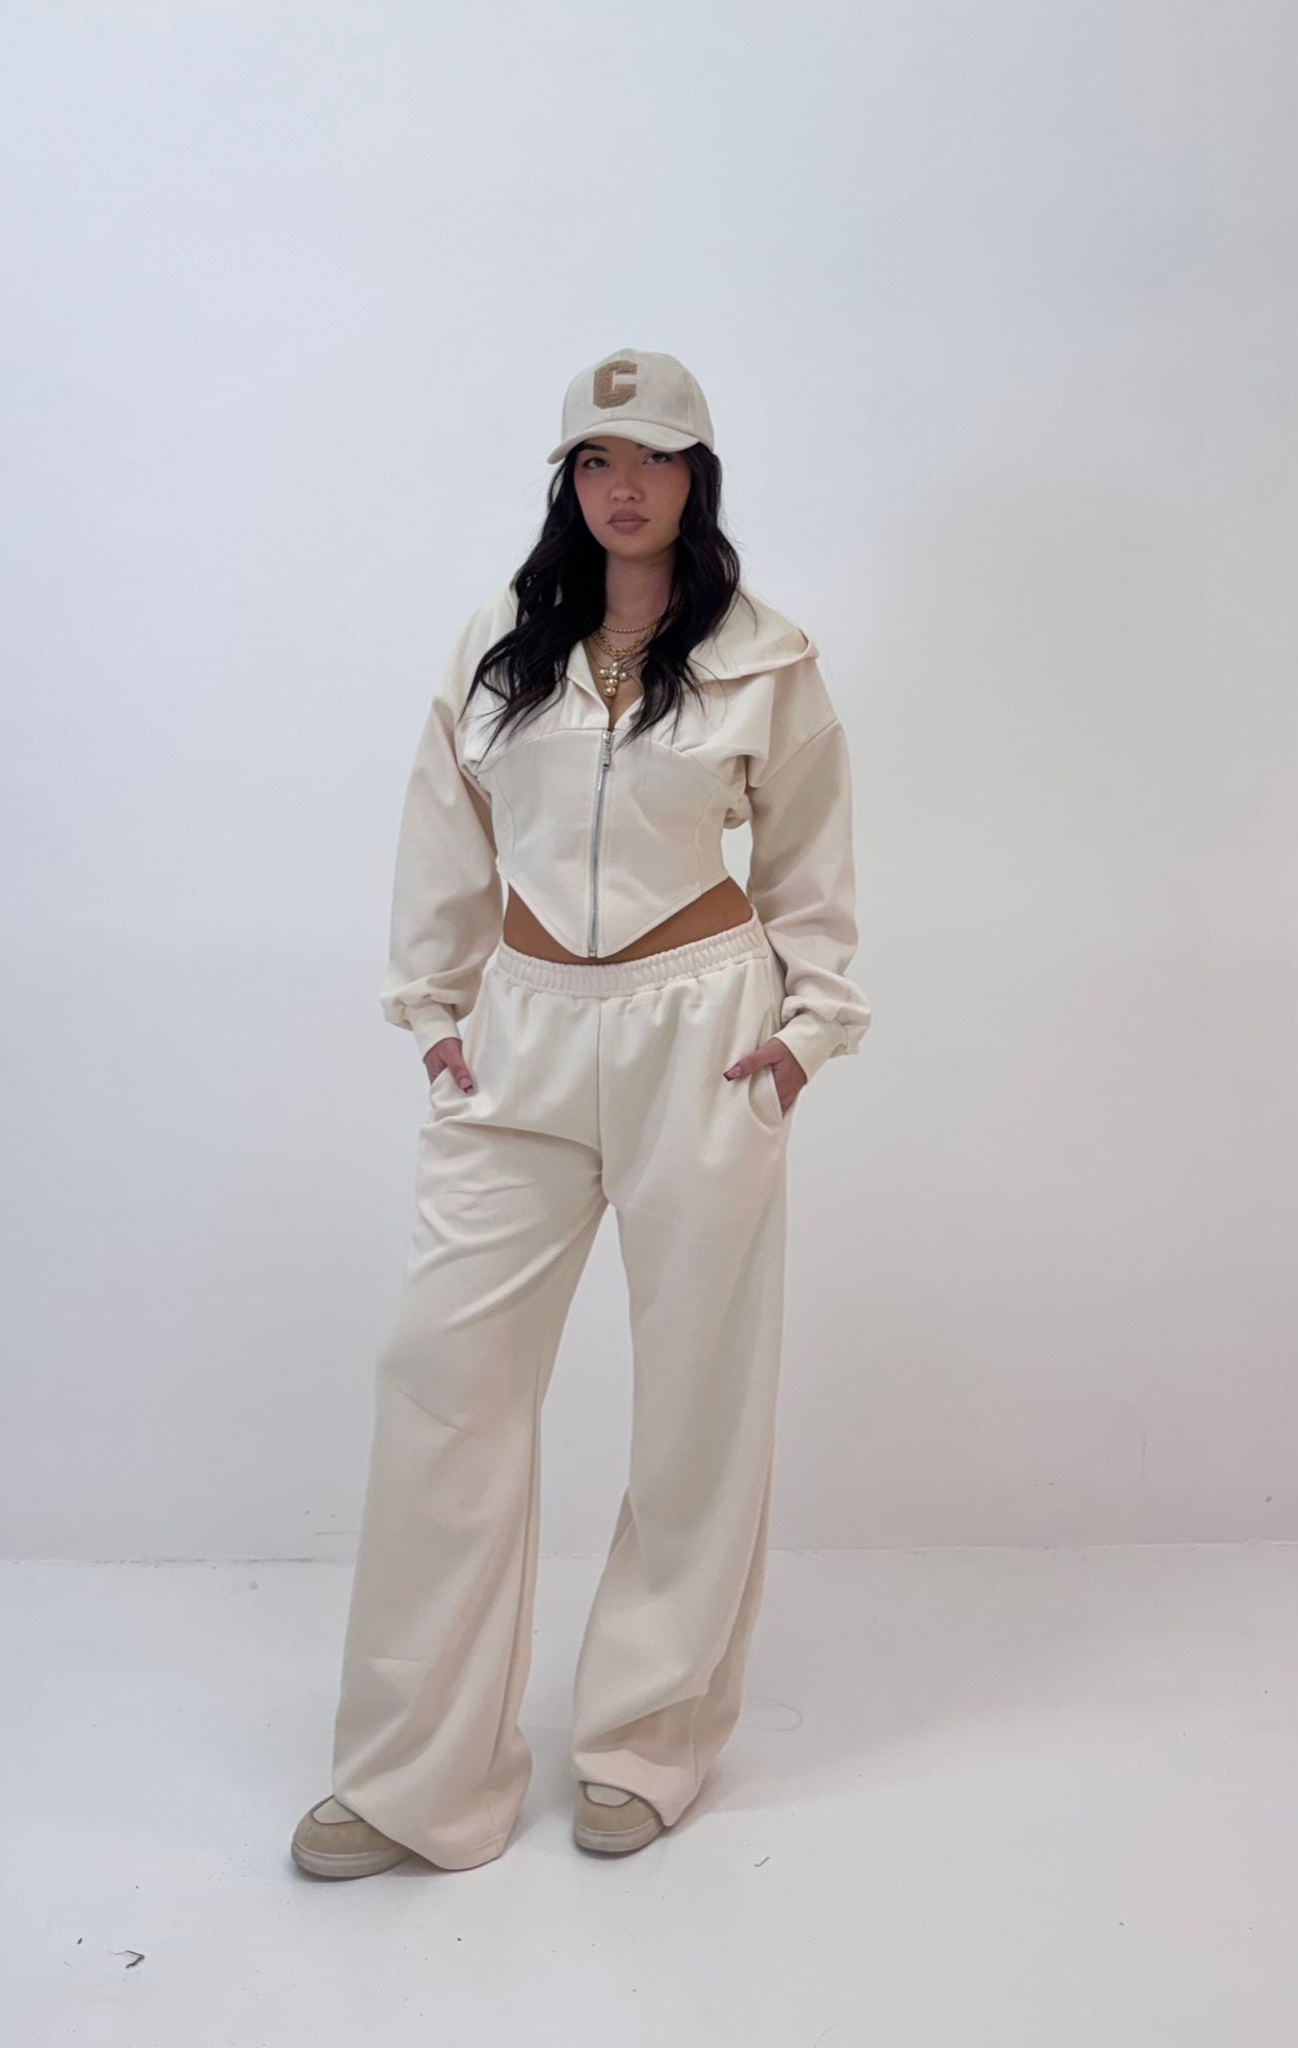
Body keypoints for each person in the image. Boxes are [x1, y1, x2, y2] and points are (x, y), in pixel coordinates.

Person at [291, 347, 871, 1879]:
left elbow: (811, 857)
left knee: (697, 1398)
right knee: (443, 1377)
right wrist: (435, 1013)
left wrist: (805, 1033)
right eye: (597, 460)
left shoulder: (764, 655)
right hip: (524, 1031)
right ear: (569, 481)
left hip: (705, 1036)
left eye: (655, 457)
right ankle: (414, 1773)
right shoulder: (501, 647)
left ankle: (646, 1739)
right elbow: (444, 829)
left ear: (696, 477)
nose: (626, 486)